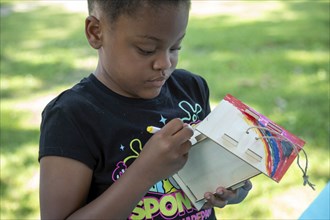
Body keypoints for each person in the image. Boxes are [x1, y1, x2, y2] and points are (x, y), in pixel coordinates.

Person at [39, 0, 252, 219]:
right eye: (146, 50)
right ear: (95, 32)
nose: (164, 63)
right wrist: (145, 173)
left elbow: (222, 178)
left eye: (175, 47)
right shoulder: (71, 116)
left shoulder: (191, 89)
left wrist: (232, 189)